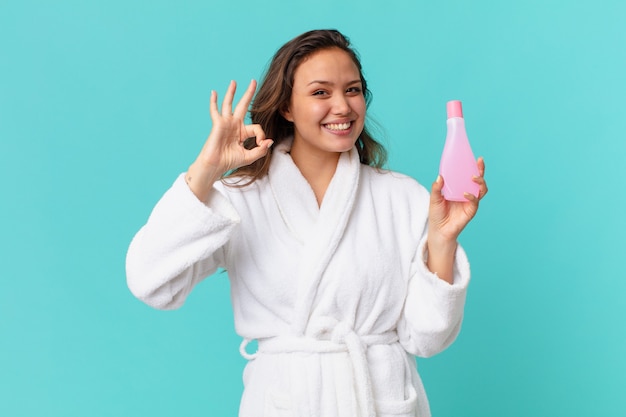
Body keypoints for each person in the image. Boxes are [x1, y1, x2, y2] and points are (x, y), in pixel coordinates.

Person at [126, 29, 488, 417]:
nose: (343, 107)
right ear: (286, 107)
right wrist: (207, 169)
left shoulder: (402, 197)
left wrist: (443, 239)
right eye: (320, 93)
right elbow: (152, 283)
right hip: (285, 401)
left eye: (352, 90)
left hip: (379, 400)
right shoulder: (241, 199)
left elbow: (428, 337)